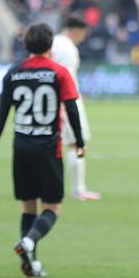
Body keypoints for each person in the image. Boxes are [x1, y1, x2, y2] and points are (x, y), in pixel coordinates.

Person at [0, 23, 85, 278]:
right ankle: (28, 243)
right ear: (50, 46)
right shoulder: (59, 72)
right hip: (49, 148)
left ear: (25, 45)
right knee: (53, 206)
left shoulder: (14, 72)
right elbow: (72, 109)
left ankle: (30, 263)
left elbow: (2, 113)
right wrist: (80, 142)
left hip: (21, 147)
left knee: (28, 206)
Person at [50, 15, 100, 201]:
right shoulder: (68, 48)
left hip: (52, 99)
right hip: (67, 100)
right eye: (83, 33)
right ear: (77, 30)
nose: (83, 37)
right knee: (76, 144)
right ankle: (79, 189)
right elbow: (65, 77)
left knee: (51, 145)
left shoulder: (53, 42)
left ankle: (48, 186)